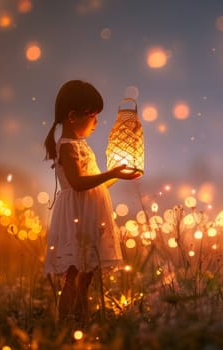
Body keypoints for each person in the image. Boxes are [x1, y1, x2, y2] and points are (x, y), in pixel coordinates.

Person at [42, 80, 141, 325]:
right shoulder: (66, 147)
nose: (96, 122)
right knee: (74, 276)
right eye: (93, 116)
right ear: (73, 116)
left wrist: (118, 176)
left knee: (85, 277)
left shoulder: (80, 145)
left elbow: (92, 184)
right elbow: (77, 183)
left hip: (88, 213)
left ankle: (81, 323)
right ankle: (67, 324)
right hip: (77, 216)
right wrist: (111, 173)